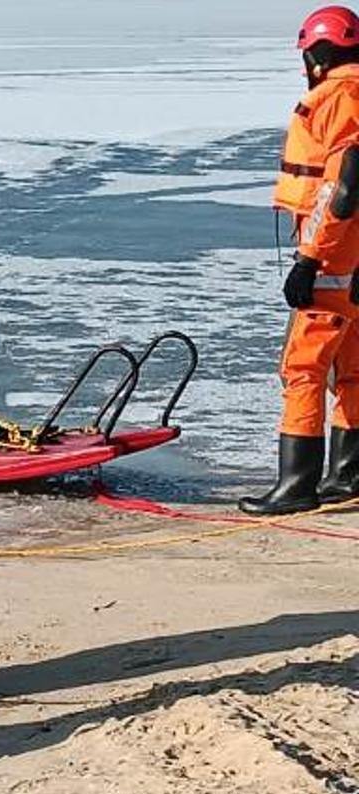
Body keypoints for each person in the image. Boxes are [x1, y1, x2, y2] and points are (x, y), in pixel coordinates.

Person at [245, 5, 359, 515]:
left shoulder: (336, 99)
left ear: (319, 52)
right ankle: (349, 476)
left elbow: (342, 188)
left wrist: (310, 259)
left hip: (335, 263)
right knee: (355, 372)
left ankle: (296, 485)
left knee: (303, 369)